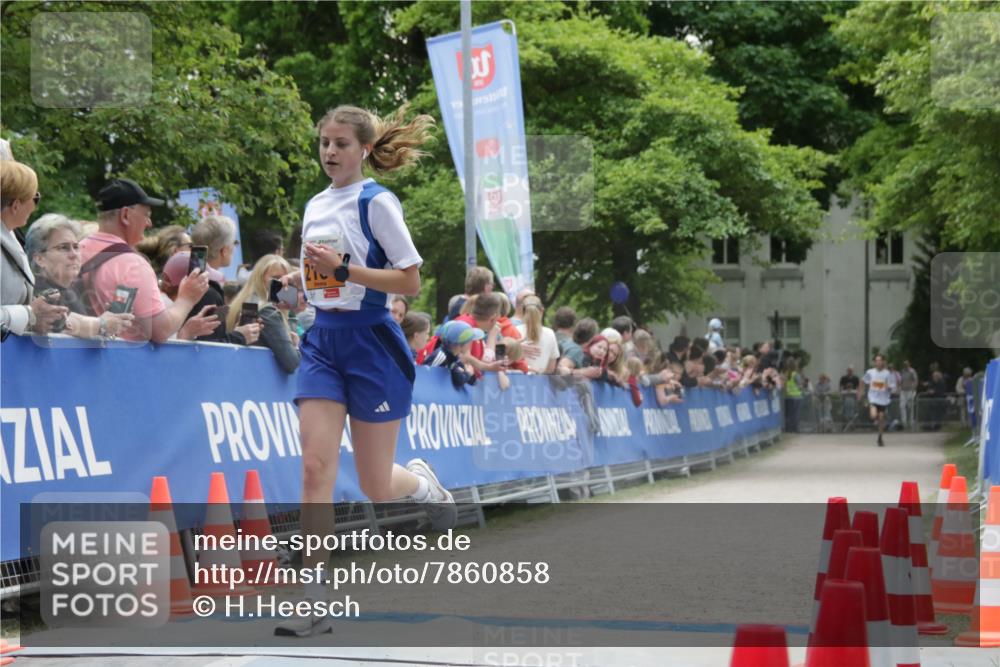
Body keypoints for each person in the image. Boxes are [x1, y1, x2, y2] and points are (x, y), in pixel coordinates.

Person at [275, 104, 453, 637]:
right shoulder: (314, 204)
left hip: (372, 342)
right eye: (324, 142)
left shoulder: (377, 202)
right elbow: (324, 279)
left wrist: (344, 270)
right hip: (323, 343)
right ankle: (313, 601)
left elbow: (410, 282)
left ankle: (424, 486)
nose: (330, 152)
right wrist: (298, 283)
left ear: (365, 149)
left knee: (376, 485)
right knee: (315, 470)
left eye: (341, 144)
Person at [79, 178, 209, 342]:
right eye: (146, 216)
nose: (149, 223)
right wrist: (186, 299)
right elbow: (160, 331)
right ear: (125, 215)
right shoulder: (132, 264)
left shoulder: (75, 250)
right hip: (117, 357)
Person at [24, 214, 134, 339]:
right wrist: (102, 324)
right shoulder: (35, 290)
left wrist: (112, 321)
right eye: (64, 248)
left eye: (76, 247)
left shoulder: (73, 289)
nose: (74, 254)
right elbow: (61, 323)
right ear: (39, 258)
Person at [1, 161, 68, 337]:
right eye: (35, 197)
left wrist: (40, 317)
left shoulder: (10, 237)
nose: (36, 205)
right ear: (16, 205)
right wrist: (29, 313)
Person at [189, 215, 259, 345]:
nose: (234, 248)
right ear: (224, 250)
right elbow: (211, 345)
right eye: (234, 243)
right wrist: (240, 336)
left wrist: (236, 332)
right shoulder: (208, 291)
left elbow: (214, 337)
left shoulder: (192, 281)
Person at [227, 254, 301, 374]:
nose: (283, 283)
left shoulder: (245, 302)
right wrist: (296, 346)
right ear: (260, 279)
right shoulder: (267, 311)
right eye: (276, 278)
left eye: (287, 279)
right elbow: (292, 362)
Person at [420, 320, 481, 388]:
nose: (471, 344)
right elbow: (424, 378)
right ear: (461, 344)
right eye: (469, 341)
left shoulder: (455, 357)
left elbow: (470, 381)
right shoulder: (441, 356)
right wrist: (468, 373)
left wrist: (467, 374)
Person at [858, 353, 897, 447]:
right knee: (873, 415)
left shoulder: (887, 373)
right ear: (875, 362)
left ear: (883, 362)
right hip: (873, 398)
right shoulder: (870, 372)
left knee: (881, 417)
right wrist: (860, 393)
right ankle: (876, 419)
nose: (878, 362)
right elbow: (862, 381)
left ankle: (880, 437)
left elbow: (893, 386)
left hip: (883, 399)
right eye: (876, 360)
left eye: (880, 360)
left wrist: (889, 387)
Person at [515, 295, 559, 374]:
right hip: (540, 380)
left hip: (517, 379)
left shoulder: (515, 330)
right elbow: (551, 368)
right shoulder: (550, 333)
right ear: (542, 310)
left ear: (522, 312)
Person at [783, 357, 804, 433]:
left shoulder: (785, 374)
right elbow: (800, 385)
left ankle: (788, 429)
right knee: (795, 414)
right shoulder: (796, 374)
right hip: (796, 396)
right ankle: (795, 429)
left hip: (787, 396)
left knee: (788, 414)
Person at [899, 360, 918, 430]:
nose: (905, 365)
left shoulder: (912, 371)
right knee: (902, 406)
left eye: (906, 364)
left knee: (910, 407)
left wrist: (914, 389)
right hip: (903, 391)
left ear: (909, 364)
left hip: (910, 391)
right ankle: (904, 423)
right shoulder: (902, 371)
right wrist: (900, 387)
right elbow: (901, 380)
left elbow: (915, 380)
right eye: (904, 364)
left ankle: (911, 422)